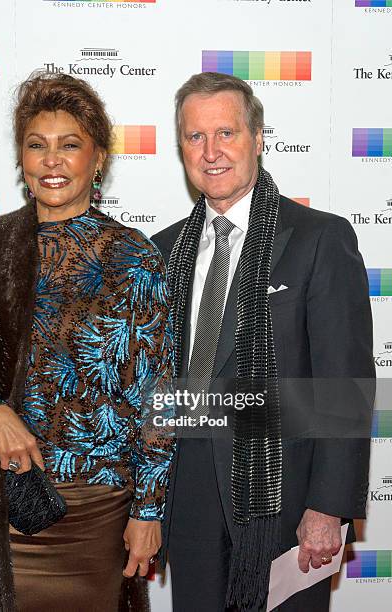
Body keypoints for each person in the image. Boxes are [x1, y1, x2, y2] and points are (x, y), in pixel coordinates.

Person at [0, 72, 175, 612]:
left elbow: (160, 399)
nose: (52, 160)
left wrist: (148, 511)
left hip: (93, 512)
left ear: (97, 159)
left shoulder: (131, 258)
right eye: (37, 145)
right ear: (21, 159)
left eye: (69, 145)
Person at [151, 72, 374, 612]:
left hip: (283, 492)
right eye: (195, 137)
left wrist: (328, 507)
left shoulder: (319, 238)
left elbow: (344, 384)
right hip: (187, 493)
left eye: (226, 133)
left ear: (257, 138)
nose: (211, 152)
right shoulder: (161, 251)